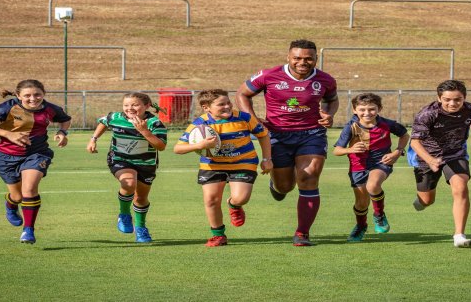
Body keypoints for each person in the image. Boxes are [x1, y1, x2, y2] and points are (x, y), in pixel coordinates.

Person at [236, 39, 339, 246]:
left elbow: (332, 99)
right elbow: (242, 94)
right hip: (277, 135)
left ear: (315, 59)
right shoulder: (268, 75)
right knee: (285, 187)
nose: (303, 62)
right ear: (288, 57)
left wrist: (329, 114)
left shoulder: (325, 79)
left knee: (309, 176)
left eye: (308, 58)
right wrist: (254, 122)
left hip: (312, 134)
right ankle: (277, 185)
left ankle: (302, 233)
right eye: (297, 58)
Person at [0, 79, 71, 244]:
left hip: (37, 154)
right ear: (18, 96)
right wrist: (8, 134)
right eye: (27, 95)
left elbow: (65, 119)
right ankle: (11, 205)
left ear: (43, 94)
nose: (33, 98)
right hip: (6, 156)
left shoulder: (50, 108)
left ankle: (28, 230)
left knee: (29, 189)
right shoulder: (8, 107)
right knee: (17, 196)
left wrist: (62, 132)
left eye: (37, 94)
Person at [173, 89, 272, 247]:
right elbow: (177, 149)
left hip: (243, 162)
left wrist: (267, 159)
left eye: (228, 102)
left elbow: (263, 135)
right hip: (212, 165)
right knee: (211, 200)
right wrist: (200, 145)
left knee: (241, 198)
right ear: (206, 107)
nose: (227, 106)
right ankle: (218, 235)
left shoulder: (244, 118)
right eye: (221, 104)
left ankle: (234, 205)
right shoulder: (200, 124)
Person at [409, 80, 471, 248]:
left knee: (461, 187)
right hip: (427, 156)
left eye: (458, 99)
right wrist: (431, 160)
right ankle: (422, 200)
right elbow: (415, 143)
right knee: (427, 201)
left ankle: (459, 235)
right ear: (439, 98)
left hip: (455, 154)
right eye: (447, 99)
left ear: (464, 98)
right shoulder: (427, 114)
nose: (453, 103)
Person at [87, 92, 167, 243]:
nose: (130, 108)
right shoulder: (115, 117)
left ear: (147, 106)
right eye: (126, 105)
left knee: (141, 197)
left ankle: (141, 228)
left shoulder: (154, 123)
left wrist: (143, 131)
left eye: (135, 105)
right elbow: (104, 122)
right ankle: (124, 214)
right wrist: (93, 139)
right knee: (129, 183)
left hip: (146, 164)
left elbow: (161, 146)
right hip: (120, 159)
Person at [333, 93, 409, 242]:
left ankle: (379, 215)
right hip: (358, 166)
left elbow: (404, 135)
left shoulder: (387, 124)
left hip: (381, 163)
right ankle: (361, 226)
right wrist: (351, 149)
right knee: (361, 203)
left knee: (373, 185)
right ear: (355, 110)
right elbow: (337, 151)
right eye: (362, 109)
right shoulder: (351, 127)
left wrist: (397, 152)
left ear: (379, 108)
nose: (367, 113)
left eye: (371, 109)